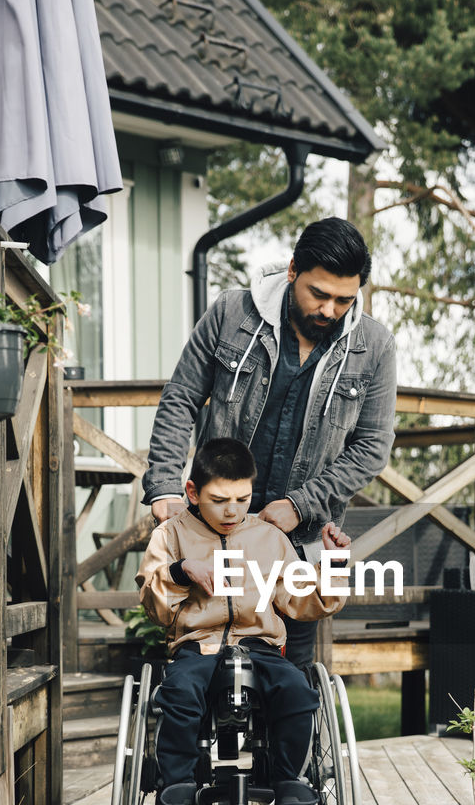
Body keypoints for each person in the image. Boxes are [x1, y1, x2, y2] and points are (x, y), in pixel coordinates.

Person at [142, 216, 396, 667]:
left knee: (289, 678)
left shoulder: (374, 346)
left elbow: (371, 448)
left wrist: (299, 504)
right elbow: (180, 398)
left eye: (344, 300)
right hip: (211, 527)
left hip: (299, 540)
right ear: (293, 270)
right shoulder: (230, 313)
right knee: (201, 667)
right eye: (319, 294)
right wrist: (164, 486)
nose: (329, 310)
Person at [134, 437, 351, 805]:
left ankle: (290, 793)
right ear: (193, 493)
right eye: (218, 500)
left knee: (297, 691)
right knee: (179, 694)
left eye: (242, 498)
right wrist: (181, 572)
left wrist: (334, 565)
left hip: (260, 644)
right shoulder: (171, 535)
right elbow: (153, 603)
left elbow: (305, 601)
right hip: (198, 645)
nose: (232, 511)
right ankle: (177, 798)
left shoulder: (268, 538)